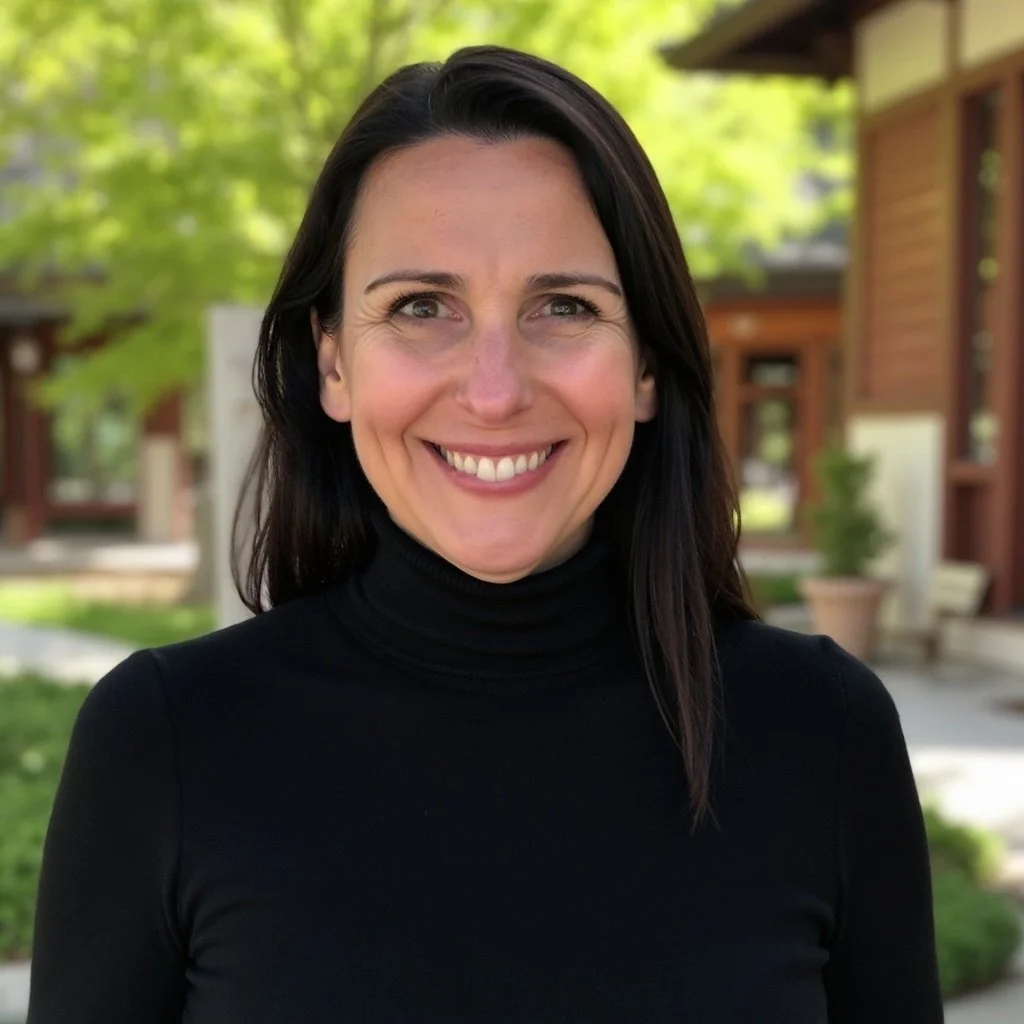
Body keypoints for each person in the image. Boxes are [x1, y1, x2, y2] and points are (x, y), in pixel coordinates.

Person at [27, 45, 942, 1023]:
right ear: (332, 363)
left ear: (644, 366)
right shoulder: (168, 743)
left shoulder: (821, 734)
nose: (496, 390)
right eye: (422, 306)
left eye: (563, 307)